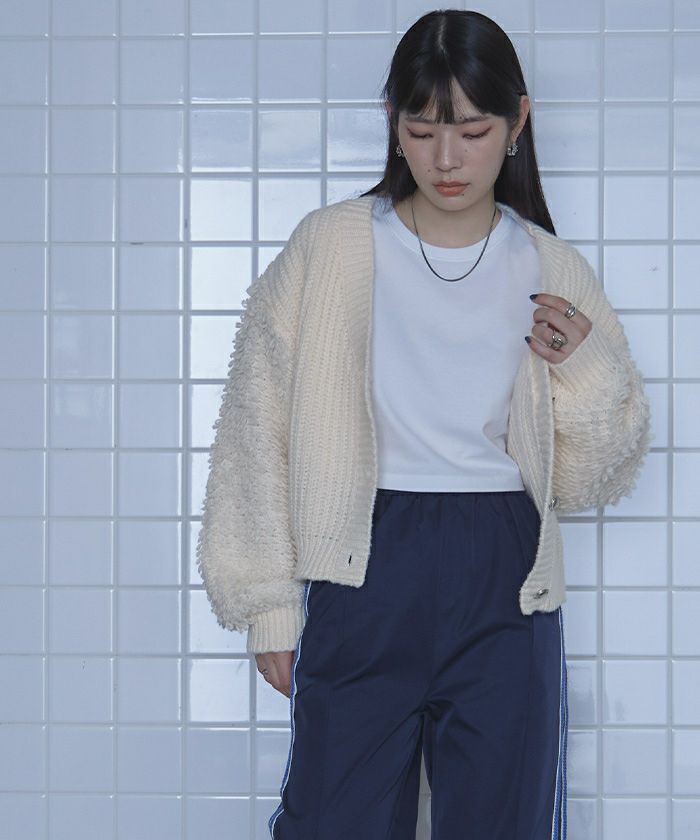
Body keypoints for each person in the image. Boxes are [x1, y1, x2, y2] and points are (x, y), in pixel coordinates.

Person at [195, 9, 652, 840]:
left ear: (517, 122)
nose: (447, 159)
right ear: (392, 123)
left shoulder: (550, 266)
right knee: (332, 822)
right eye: (422, 129)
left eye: (473, 132)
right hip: (363, 565)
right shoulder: (330, 247)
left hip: (507, 573)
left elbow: (594, 478)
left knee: (506, 825)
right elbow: (255, 430)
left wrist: (584, 370)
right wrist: (268, 605)